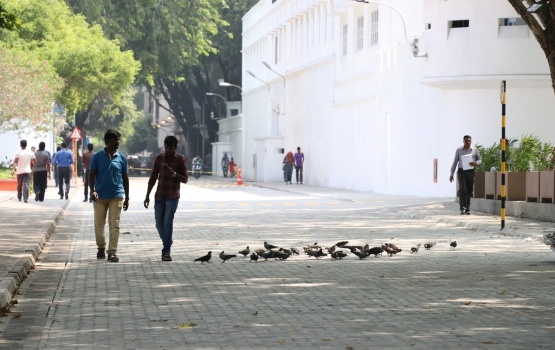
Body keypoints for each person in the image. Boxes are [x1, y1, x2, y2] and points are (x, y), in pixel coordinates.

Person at [144, 136, 188, 262]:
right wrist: (147, 195)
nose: (168, 150)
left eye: (170, 148)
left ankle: (166, 251)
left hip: (173, 196)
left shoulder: (180, 160)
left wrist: (174, 174)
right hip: (159, 195)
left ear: (175, 148)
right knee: (159, 223)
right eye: (166, 147)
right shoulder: (159, 158)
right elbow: (153, 177)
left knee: (168, 222)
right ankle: (167, 240)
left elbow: (185, 179)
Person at [89, 130, 130, 263]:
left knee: (115, 224)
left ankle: (112, 252)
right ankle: (101, 247)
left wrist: (127, 197)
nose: (117, 142)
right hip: (100, 196)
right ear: (107, 142)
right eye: (114, 140)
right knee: (99, 224)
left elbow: (125, 178)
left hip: (116, 195)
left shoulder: (122, 158)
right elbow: (91, 174)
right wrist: (92, 190)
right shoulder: (97, 156)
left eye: (118, 140)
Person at [450, 135, 481, 215]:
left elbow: (479, 160)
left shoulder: (474, 150)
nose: (467, 142)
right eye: (466, 141)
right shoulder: (459, 150)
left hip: (470, 171)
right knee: (463, 189)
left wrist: (475, 163)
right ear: (463, 141)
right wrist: (451, 174)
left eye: (469, 141)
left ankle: (467, 208)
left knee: (469, 190)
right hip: (461, 172)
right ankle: (462, 208)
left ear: (471, 141)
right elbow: (455, 162)